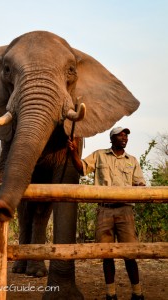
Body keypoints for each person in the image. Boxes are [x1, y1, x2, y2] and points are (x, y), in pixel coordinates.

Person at [68, 127, 145, 300]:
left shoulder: (132, 160)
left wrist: (139, 187)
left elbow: (140, 183)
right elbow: (82, 168)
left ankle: (137, 293)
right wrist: (73, 152)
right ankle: (111, 294)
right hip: (105, 210)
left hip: (125, 210)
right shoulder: (100, 155)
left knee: (130, 253)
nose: (124, 138)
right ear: (112, 138)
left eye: (126, 135)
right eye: (120, 135)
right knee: (106, 253)